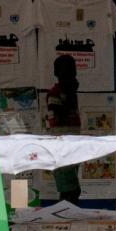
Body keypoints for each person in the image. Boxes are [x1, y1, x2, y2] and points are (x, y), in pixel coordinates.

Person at [45, 55, 83, 204]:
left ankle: (67, 218)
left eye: (73, 72)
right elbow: (59, 116)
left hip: (72, 145)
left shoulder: (69, 93)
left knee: (71, 189)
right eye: (68, 72)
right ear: (57, 74)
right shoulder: (55, 93)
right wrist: (70, 94)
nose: (73, 76)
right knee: (70, 190)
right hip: (61, 146)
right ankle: (65, 219)